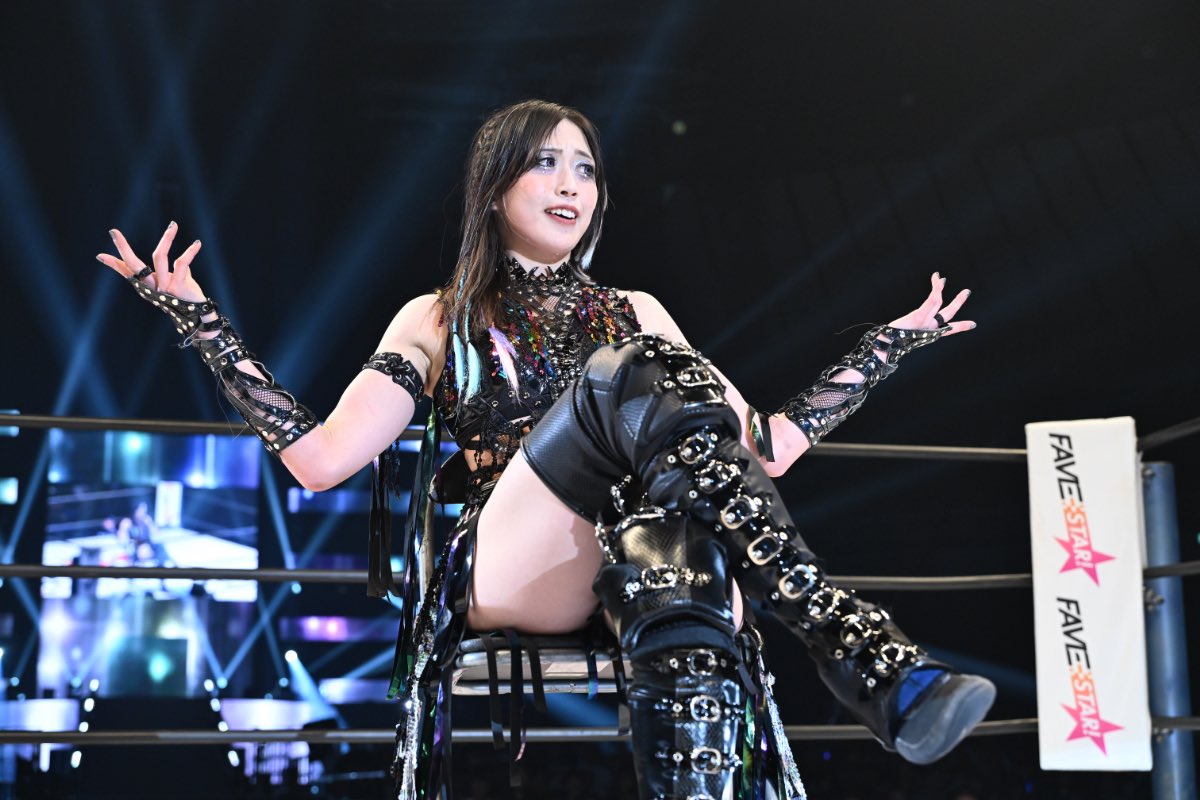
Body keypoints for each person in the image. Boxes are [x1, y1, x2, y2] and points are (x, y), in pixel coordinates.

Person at [99, 99, 994, 800]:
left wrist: (889, 346)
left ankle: (874, 678)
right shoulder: (441, 316)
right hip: (513, 561)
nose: (571, 184)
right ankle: (855, 644)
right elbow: (321, 460)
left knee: (677, 562)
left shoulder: (637, 308)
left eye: (586, 168)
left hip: (630, 559)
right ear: (495, 188)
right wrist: (201, 322)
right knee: (634, 370)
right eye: (545, 163)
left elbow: (764, 448)